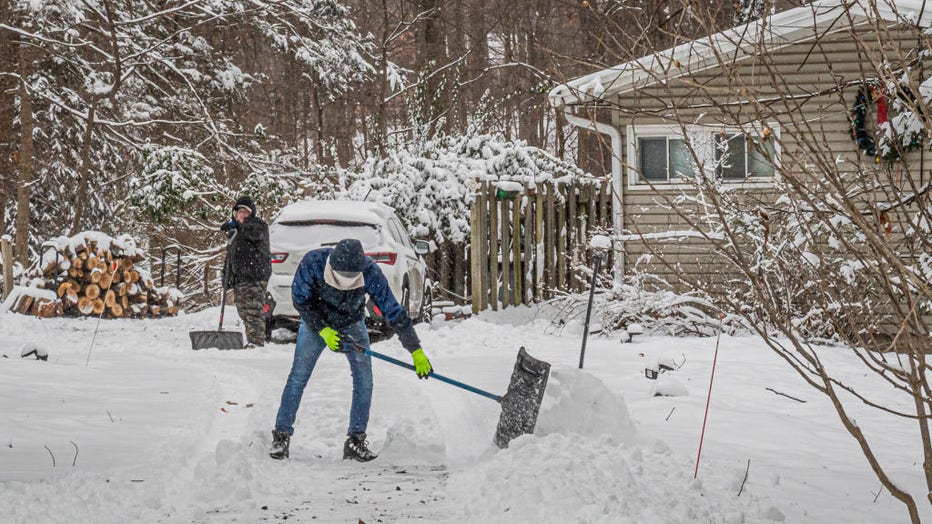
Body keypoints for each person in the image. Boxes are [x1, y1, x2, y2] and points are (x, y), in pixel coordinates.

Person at [270, 238, 432, 462]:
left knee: (364, 379)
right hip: (316, 323)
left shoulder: (371, 272)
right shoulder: (313, 263)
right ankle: (281, 435)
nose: (345, 282)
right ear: (332, 266)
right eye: (340, 277)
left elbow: (393, 311)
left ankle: (355, 440)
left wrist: (415, 350)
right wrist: (323, 330)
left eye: (351, 278)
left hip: (352, 323)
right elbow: (301, 301)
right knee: (298, 376)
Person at [220, 196, 272, 348]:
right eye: (238, 211)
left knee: (253, 311)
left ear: (251, 213)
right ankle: (253, 339)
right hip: (241, 278)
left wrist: (236, 227)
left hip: (254, 275)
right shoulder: (236, 233)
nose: (241, 214)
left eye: (245, 211)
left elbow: (251, 232)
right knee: (243, 310)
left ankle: (256, 343)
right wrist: (226, 276)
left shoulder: (257, 226)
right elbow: (230, 256)